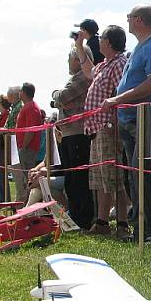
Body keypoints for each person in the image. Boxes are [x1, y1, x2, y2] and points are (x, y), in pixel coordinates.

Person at [102, 5, 151, 243]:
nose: (128, 21)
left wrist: (118, 99)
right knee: (134, 175)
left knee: (141, 174)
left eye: (130, 17)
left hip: (147, 118)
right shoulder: (138, 49)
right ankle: (141, 228)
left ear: (139, 20)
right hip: (131, 119)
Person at [78, 24, 130, 238]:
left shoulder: (119, 64)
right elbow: (89, 71)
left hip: (109, 128)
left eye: (101, 40)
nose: (98, 42)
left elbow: (121, 95)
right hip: (97, 129)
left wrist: (113, 124)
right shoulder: (105, 65)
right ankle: (102, 222)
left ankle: (122, 224)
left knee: (114, 178)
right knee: (100, 179)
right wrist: (79, 46)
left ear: (108, 43)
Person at [51, 46, 95, 230]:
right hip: (69, 134)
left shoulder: (82, 78)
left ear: (78, 60)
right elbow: (61, 100)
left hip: (78, 134)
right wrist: (59, 99)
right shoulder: (76, 79)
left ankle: (82, 217)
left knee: (78, 178)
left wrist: (57, 95)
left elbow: (62, 96)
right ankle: (75, 215)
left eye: (70, 59)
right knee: (71, 177)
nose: (68, 63)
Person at [14, 83, 43, 204]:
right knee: (25, 179)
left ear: (24, 92)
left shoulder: (31, 107)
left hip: (28, 149)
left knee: (27, 179)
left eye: (20, 91)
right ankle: (26, 204)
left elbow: (31, 130)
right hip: (25, 148)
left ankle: (28, 205)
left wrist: (24, 146)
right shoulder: (28, 106)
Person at [5, 86, 25, 202]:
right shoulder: (14, 107)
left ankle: (20, 203)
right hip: (13, 144)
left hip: (16, 145)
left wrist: (6, 130)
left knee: (18, 176)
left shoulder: (18, 108)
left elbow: (15, 127)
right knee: (16, 175)